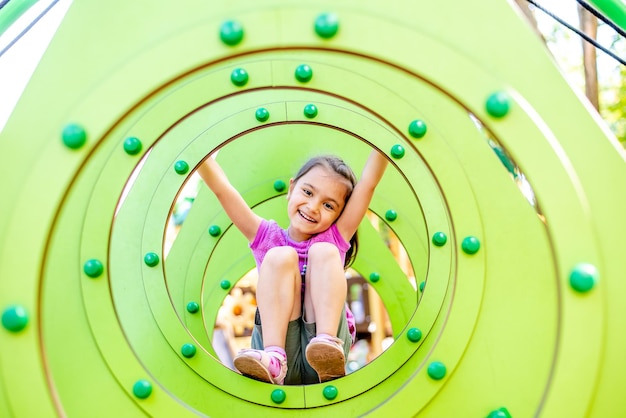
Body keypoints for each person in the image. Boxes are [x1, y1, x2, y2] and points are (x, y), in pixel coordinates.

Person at [198, 149, 388, 385]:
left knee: (323, 250)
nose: (313, 207)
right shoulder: (267, 238)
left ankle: (327, 344)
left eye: (329, 205)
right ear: (291, 189)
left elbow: (368, 184)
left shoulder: (334, 239)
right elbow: (223, 190)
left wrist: (386, 138)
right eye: (307, 192)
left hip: (324, 358)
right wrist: (195, 150)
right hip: (277, 352)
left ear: (340, 214)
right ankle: (274, 358)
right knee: (279, 256)